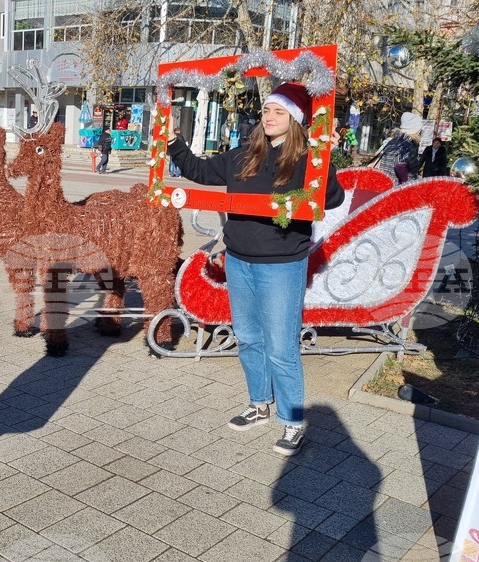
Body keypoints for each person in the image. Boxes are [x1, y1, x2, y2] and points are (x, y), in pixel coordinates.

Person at [167, 82, 344, 456]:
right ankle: (258, 403)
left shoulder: (305, 160)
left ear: (295, 121)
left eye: (279, 112)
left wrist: (323, 154)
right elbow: (199, 170)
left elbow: (331, 198)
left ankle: (293, 422)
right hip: (239, 260)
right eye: (266, 110)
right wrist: (172, 143)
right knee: (248, 338)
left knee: (281, 346)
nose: (269, 116)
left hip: (281, 265)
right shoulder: (242, 156)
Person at [378, 111, 421, 184]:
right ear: (415, 130)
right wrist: (407, 183)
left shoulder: (394, 141)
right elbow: (400, 165)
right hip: (397, 188)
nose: (420, 132)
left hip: (386, 182)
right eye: (419, 129)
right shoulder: (407, 144)